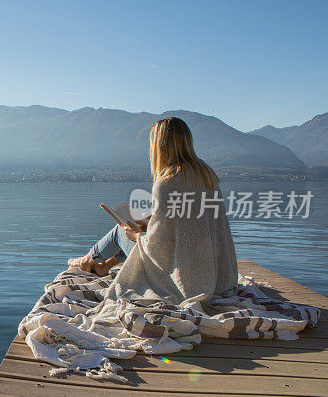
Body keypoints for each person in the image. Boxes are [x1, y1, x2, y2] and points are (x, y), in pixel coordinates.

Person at [68, 116, 237, 302]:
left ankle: (88, 261)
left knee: (121, 232)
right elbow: (191, 223)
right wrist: (153, 221)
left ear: (159, 145)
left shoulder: (168, 182)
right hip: (216, 275)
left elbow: (159, 246)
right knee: (137, 228)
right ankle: (103, 265)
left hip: (184, 279)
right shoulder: (206, 174)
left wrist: (135, 236)